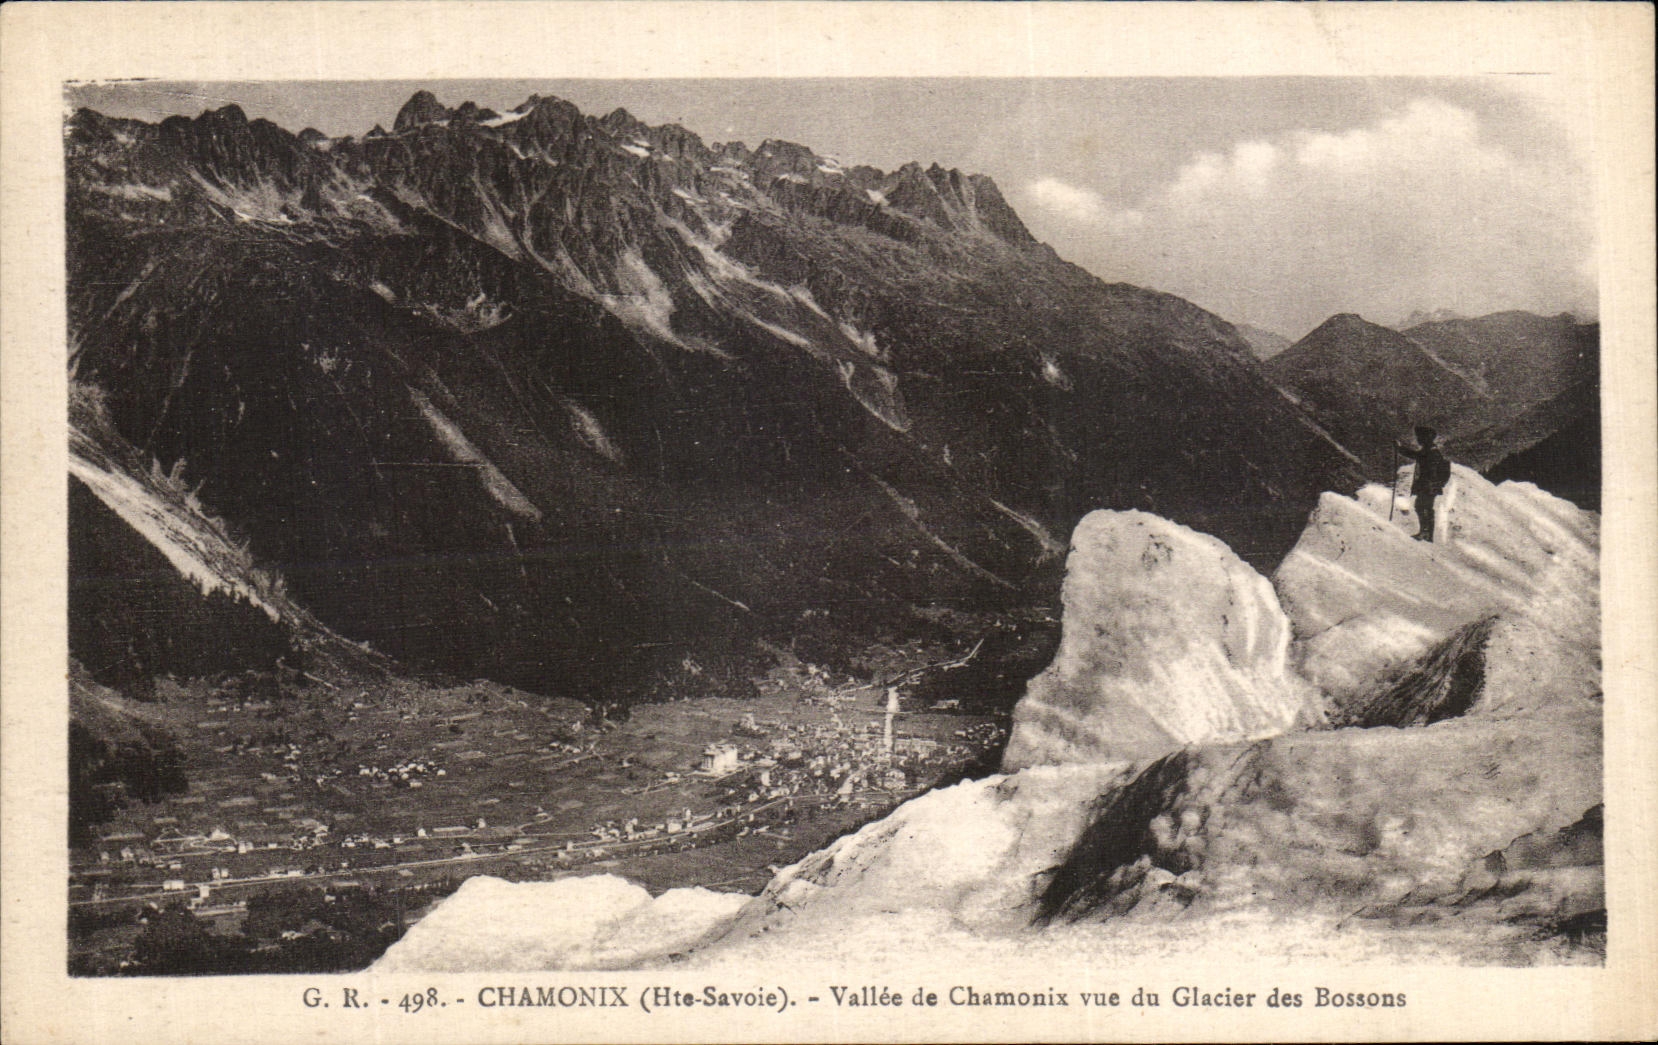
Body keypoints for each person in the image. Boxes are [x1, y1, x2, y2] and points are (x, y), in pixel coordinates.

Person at [1396, 426, 1451, 542]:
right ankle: (1426, 533)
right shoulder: (1430, 450)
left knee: (1422, 507)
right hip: (1430, 485)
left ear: (1426, 438)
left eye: (1420, 437)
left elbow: (1417, 457)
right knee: (1424, 507)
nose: (1418, 440)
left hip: (1428, 485)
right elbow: (1418, 456)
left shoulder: (1430, 451)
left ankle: (1426, 533)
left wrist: (1399, 449)